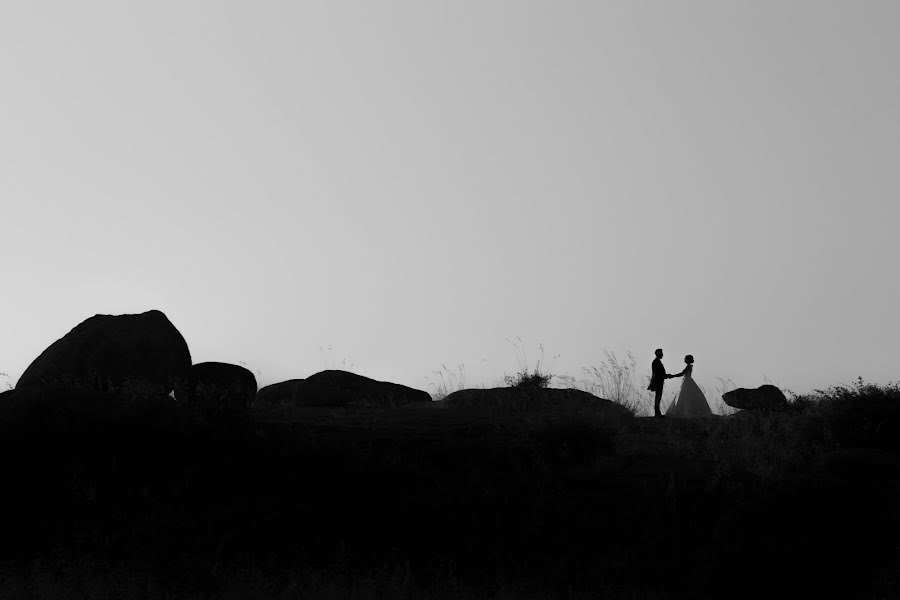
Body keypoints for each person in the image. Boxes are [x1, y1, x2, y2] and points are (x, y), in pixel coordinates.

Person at [647, 349, 681, 418]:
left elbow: (659, 373)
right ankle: (657, 414)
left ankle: (658, 413)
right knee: (658, 397)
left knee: (658, 397)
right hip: (658, 382)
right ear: (657, 354)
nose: (662, 355)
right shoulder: (656, 362)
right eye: (661, 353)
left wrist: (666, 375)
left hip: (659, 381)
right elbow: (657, 374)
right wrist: (666, 376)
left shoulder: (657, 361)